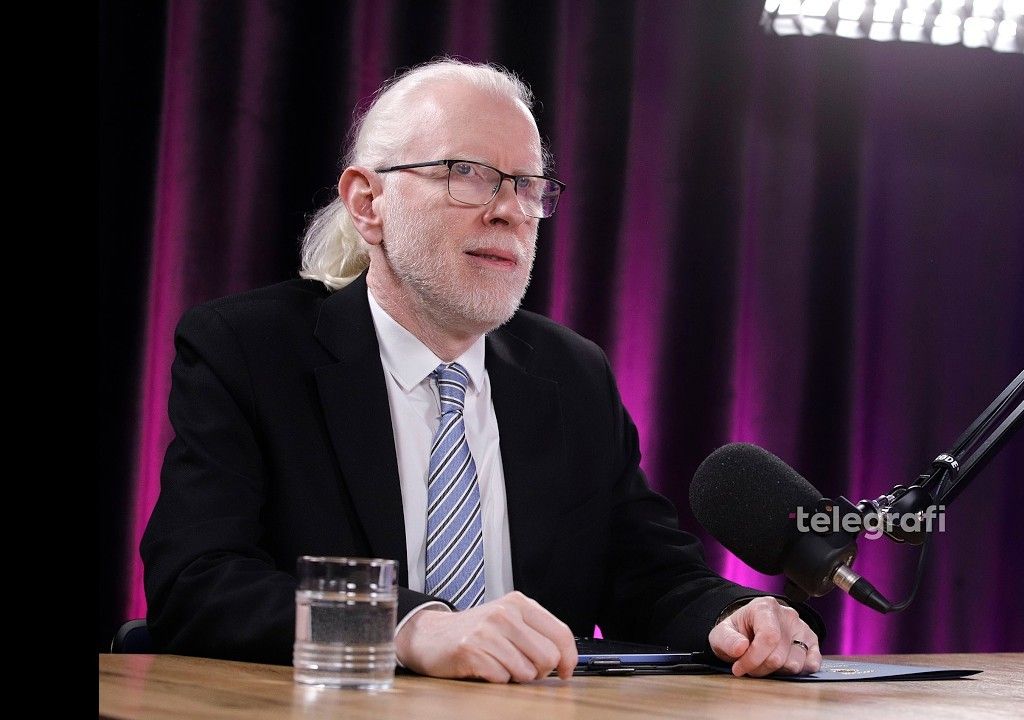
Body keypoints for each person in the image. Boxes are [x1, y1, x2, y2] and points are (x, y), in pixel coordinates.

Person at [141, 58, 823, 683]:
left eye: (527, 186)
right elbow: (197, 581)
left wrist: (732, 615)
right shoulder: (249, 351)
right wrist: (408, 627)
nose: (508, 212)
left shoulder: (574, 375)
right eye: (465, 173)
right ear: (368, 203)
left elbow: (647, 573)